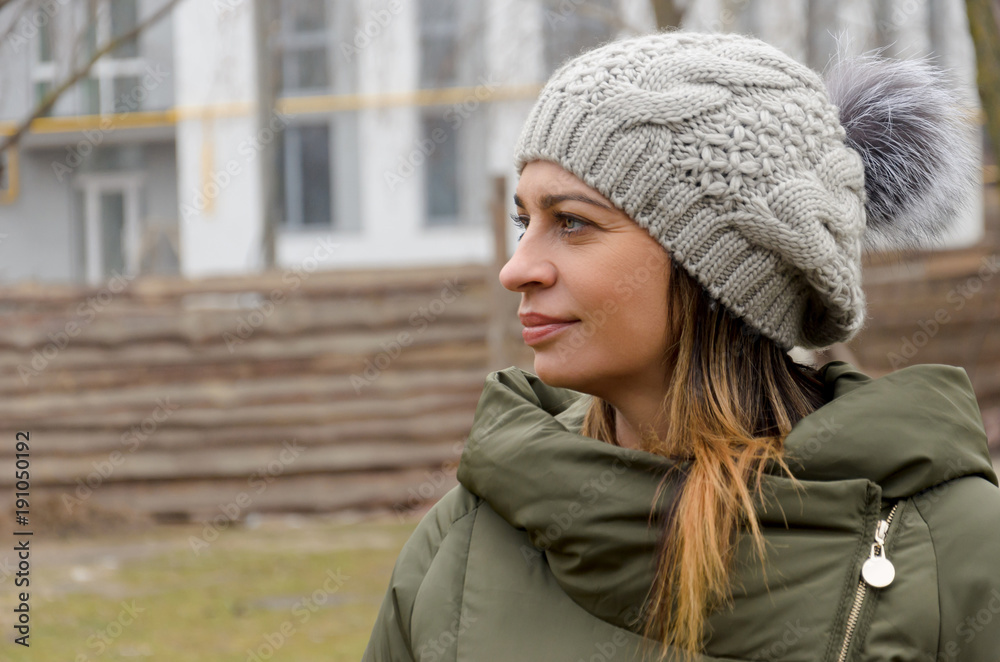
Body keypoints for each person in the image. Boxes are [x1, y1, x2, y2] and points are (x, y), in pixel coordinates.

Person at [362, 29, 1000, 662]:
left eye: (574, 222)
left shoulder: (956, 552)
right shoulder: (465, 539)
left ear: (720, 271)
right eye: (526, 221)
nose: (516, 268)